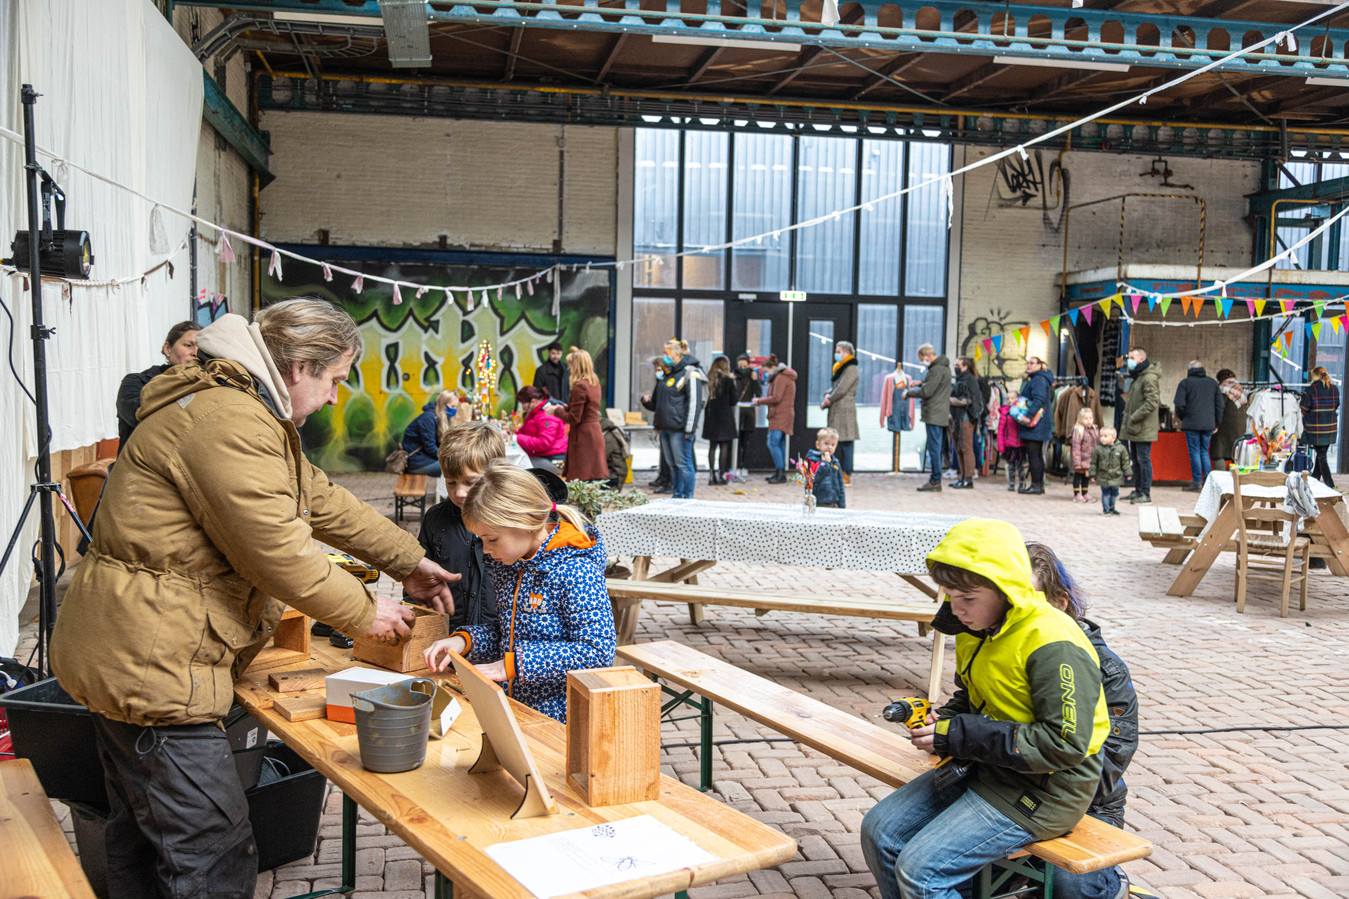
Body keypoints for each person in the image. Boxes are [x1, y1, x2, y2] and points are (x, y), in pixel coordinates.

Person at [50, 299, 458, 899]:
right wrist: (367, 611)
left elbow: (317, 498)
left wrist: (407, 559)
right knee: (211, 854)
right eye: (336, 379)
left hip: (134, 653)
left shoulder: (241, 409)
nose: (337, 397)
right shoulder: (231, 421)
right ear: (298, 369)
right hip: (155, 669)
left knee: (142, 839)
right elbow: (278, 550)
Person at [860, 518, 1108, 899]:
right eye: (949, 597)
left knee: (923, 872)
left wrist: (957, 734)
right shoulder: (976, 627)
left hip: (1046, 789)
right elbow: (975, 698)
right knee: (880, 831)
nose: (956, 611)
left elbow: (1065, 744)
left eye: (968, 599)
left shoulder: (1053, 642)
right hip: (988, 767)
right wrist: (944, 720)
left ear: (1006, 589)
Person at [423, 460, 616, 722]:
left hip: (560, 719)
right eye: (481, 540)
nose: (486, 550)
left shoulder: (575, 569)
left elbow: (597, 651)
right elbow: (508, 634)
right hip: (516, 709)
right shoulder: (510, 565)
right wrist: (465, 641)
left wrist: (514, 665)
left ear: (524, 523)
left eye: (491, 539)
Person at [1025, 543, 1138, 899]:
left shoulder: (1107, 670)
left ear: (1060, 604)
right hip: (1011, 795)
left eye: (1032, 600)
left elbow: (1107, 770)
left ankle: (1109, 882)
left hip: (1085, 807)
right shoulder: (1001, 651)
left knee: (1068, 883)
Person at [410, 421, 505, 632]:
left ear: (496, 474)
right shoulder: (435, 519)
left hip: (497, 641)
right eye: (451, 483)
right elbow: (418, 576)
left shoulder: (510, 524)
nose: (459, 492)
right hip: (446, 635)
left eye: (470, 482)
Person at [115, 320, 202, 450]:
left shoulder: (206, 385)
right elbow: (144, 418)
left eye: (201, 349)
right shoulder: (136, 382)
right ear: (167, 349)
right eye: (188, 345)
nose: (195, 352)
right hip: (139, 467)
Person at [642, 339, 706, 499]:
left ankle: (687, 496)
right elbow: (659, 403)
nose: (663, 356)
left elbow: (694, 403)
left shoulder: (690, 374)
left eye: (666, 353)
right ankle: (677, 495)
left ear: (677, 354)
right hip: (665, 428)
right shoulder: (667, 374)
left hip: (680, 430)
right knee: (672, 465)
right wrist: (655, 420)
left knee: (684, 464)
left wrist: (689, 429)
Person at [1173, 360, 1225, 493]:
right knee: (1204, 451)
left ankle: (1197, 483)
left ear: (1189, 369)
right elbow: (1220, 405)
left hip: (1191, 423)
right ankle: (1207, 482)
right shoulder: (1212, 383)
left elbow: (1179, 404)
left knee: (1194, 452)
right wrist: (1216, 423)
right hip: (1208, 423)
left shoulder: (1185, 383)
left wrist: (1184, 417)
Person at [1119, 346, 1161, 506]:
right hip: (1135, 426)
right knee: (1136, 459)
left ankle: (1145, 492)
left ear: (1141, 359)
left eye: (1132, 357)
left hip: (1142, 426)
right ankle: (1138, 490)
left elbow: (1151, 402)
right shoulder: (1139, 376)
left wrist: (1134, 417)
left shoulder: (1149, 377)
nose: (1128, 360)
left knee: (1143, 459)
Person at [907, 344, 951, 493]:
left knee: (934, 447)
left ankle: (935, 480)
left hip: (934, 414)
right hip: (941, 413)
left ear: (928, 356)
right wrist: (922, 382)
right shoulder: (943, 368)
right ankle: (935, 478)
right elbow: (935, 386)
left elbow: (928, 391)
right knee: (936, 447)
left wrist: (908, 394)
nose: (922, 362)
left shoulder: (936, 370)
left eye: (922, 359)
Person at [561, 347, 608, 483]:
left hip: (583, 437)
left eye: (571, 365)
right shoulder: (594, 383)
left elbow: (574, 418)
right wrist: (564, 408)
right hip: (594, 433)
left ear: (577, 366)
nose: (570, 369)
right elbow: (586, 410)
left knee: (582, 479)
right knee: (593, 479)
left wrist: (556, 411)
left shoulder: (580, 386)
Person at [754, 353, 797, 484]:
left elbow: (776, 398)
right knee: (780, 444)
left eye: (766, 371)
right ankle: (780, 471)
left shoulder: (780, 378)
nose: (766, 374)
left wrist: (759, 401)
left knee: (772, 443)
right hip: (784, 414)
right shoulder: (784, 376)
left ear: (773, 367)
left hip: (780, 415)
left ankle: (780, 472)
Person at [822, 341, 860, 485]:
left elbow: (842, 389)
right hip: (838, 409)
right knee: (838, 442)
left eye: (838, 351)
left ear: (846, 353)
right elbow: (836, 386)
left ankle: (846, 474)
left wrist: (829, 399)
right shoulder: (841, 368)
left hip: (845, 411)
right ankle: (837, 472)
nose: (836, 354)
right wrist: (828, 394)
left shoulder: (851, 368)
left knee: (846, 443)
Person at [1017, 355, 1055, 495]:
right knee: (1037, 455)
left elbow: (1039, 399)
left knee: (1034, 455)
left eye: (1032, 363)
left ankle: (1036, 486)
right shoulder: (1041, 379)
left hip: (1035, 424)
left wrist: (1028, 416)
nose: (1029, 366)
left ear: (1040, 365)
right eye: (1027, 363)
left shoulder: (1038, 379)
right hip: (1040, 424)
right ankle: (1038, 485)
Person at [1301, 365, 1340, 488]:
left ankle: (1330, 485)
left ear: (1315, 376)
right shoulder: (1335, 389)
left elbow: (1304, 407)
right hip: (1330, 428)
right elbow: (1336, 405)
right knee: (1321, 454)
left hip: (1315, 429)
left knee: (1322, 456)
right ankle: (1314, 480)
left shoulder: (1310, 390)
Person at [403, 390, 457, 476]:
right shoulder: (428, 418)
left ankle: (443, 489)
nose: (455, 410)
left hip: (425, 459)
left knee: (456, 465)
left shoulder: (438, 417)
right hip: (416, 462)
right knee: (455, 468)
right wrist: (447, 458)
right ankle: (444, 489)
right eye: (453, 406)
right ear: (443, 405)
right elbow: (430, 447)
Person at [514, 384, 567, 472]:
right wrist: (510, 434)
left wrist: (517, 438)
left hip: (552, 459)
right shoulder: (534, 413)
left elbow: (544, 443)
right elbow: (523, 431)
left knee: (519, 467)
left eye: (524, 404)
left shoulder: (547, 415)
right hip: (542, 456)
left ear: (533, 401)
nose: (523, 408)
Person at [702, 355, 738, 485]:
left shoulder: (708, 379)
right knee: (724, 446)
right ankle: (721, 475)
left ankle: (711, 475)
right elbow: (734, 400)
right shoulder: (728, 380)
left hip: (711, 416)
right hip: (725, 417)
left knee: (712, 446)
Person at [948, 355, 980, 489]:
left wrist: (949, 400)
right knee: (959, 448)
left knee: (966, 448)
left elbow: (968, 400)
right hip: (956, 418)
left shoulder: (970, 380)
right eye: (955, 365)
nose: (956, 368)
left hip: (966, 419)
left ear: (965, 367)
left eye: (958, 366)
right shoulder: (960, 380)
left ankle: (968, 478)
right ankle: (962, 476)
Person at [1089, 426, 1132, 516]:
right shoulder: (1098, 449)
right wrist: (1092, 474)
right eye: (1101, 436)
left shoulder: (1121, 449)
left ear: (1113, 438)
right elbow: (1093, 463)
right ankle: (1106, 508)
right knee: (1105, 493)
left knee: (1114, 493)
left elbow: (1125, 462)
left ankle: (1112, 507)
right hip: (1103, 476)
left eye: (1105, 436)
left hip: (1116, 476)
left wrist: (1128, 472)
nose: (1102, 438)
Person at [1210, 368, 1247, 471]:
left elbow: (1219, 408)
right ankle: (1235, 479)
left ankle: (1220, 478)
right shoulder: (1240, 390)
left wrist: (1214, 423)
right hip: (1240, 427)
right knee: (1235, 454)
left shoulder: (1223, 390)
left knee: (1219, 452)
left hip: (1224, 426)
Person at [734, 354, 761, 471]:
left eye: (745, 365)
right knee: (736, 441)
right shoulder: (734, 376)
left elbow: (758, 394)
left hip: (748, 413)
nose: (743, 368)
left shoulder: (752, 376)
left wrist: (755, 381)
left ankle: (744, 466)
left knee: (746, 441)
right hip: (737, 413)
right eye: (741, 365)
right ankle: (734, 465)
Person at [807, 426, 845, 508]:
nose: (830, 447)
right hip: (817, 502)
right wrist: (824, 463)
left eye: (833, 444)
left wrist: (842, 505)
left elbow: (840, 485)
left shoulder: (836, 463)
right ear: (818, 444)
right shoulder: (812, 460)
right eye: (826, 443)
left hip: (834, 503)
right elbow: (813, 479)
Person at [1070, 408, 1101, 504]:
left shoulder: (1095, 430)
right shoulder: (1078, 430)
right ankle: (1076, 493)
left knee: (1086, 476)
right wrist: (1077, 462)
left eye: (1090, 418)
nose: (1089, 420)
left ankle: (1085, 492)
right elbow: (1076, 447)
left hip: (1090, 459)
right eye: (1086, 418)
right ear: (1080, 419)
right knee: (1078, 476)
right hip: (1081, 458)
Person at [997, 387, 1025, 493]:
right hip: (1009, 443)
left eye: (1012, 398)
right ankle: (1011, 483)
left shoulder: (1022, 411)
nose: (1010, 400)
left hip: (1020, 444)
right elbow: (1001, 430)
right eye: (1008, 398)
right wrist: (1001, 445)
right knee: (1011, 465)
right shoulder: (1005, 413)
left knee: (1020, 465)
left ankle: (1022, 482)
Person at [600, 415, 630, 490]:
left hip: (615, 474)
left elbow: (600, 458)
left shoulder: (607, 437)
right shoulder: (609, 432)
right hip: (615, 472)